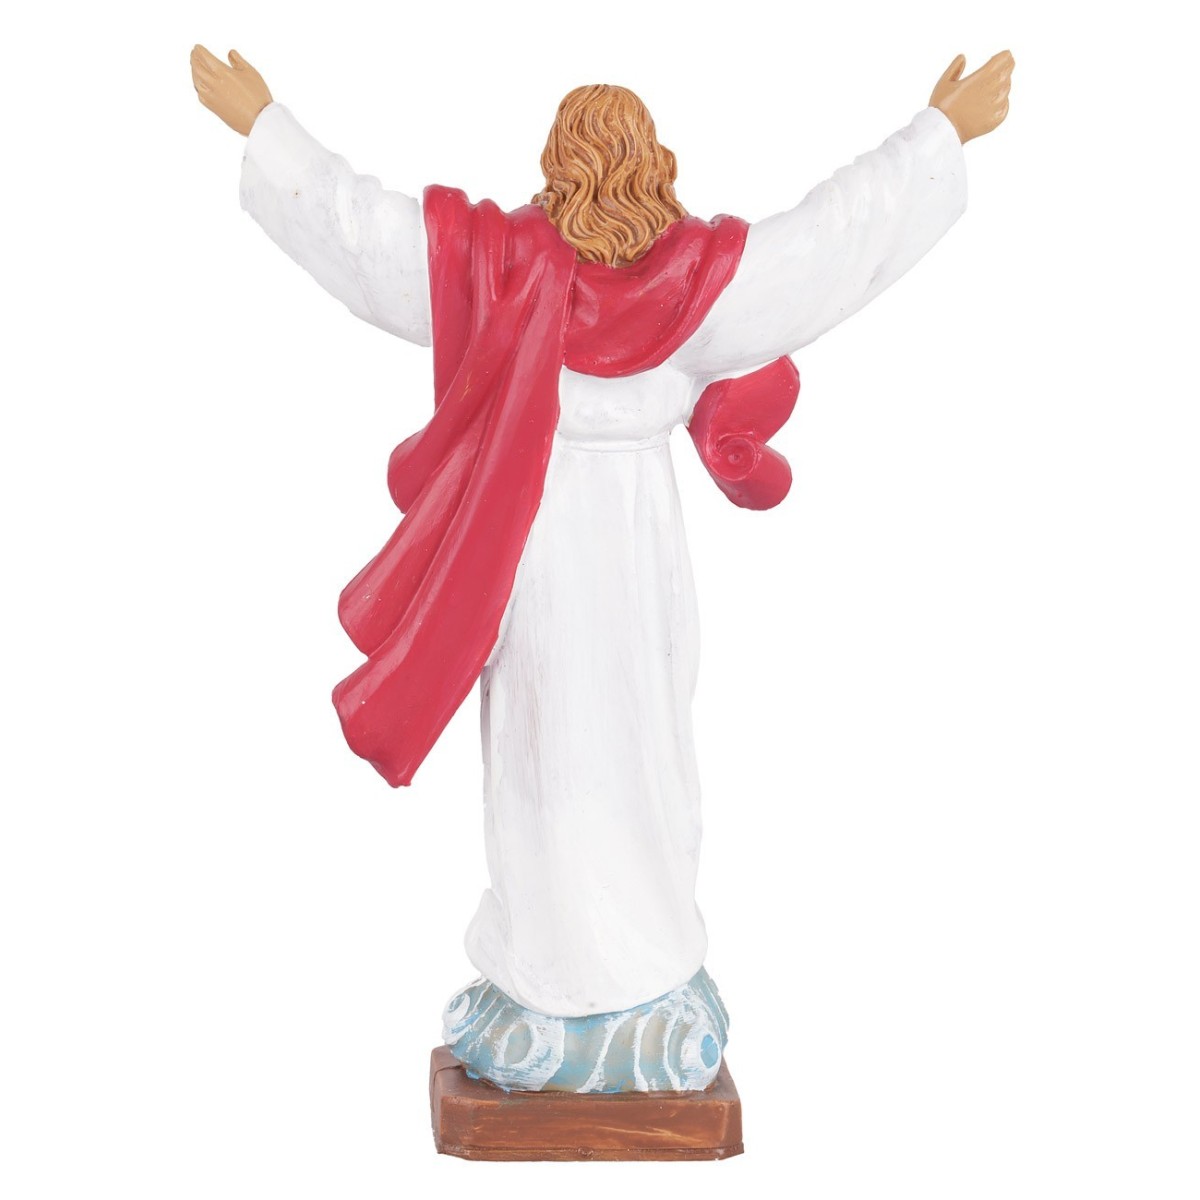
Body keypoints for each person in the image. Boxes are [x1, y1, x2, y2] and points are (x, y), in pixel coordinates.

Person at [191, 46, 1013, 1093]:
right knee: (616, 748)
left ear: (559, 167)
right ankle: (573, 973)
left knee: (569, 750)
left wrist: (265, 125)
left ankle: (616, 973)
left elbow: (369, 235)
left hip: (537, 542)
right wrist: (937, 135)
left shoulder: (501, 270)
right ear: (652, 163)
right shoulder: (705, 284)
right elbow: (833, 240)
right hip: (613, 546)